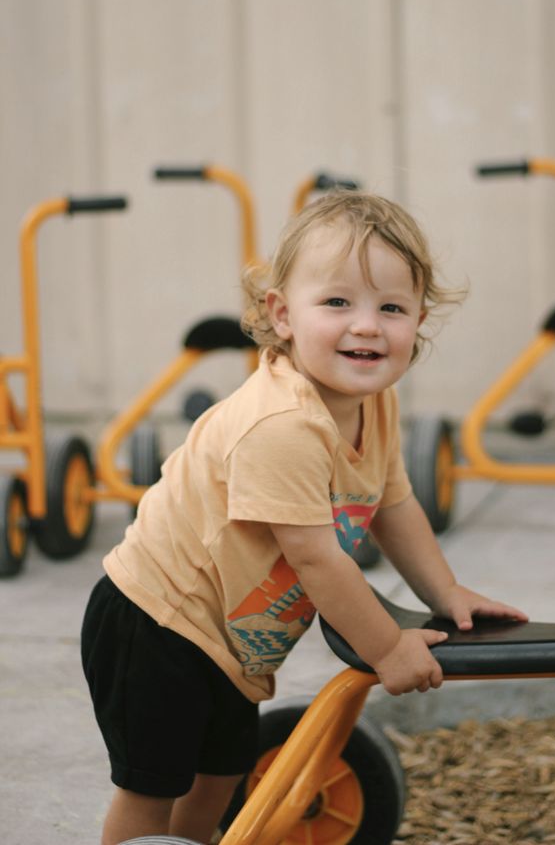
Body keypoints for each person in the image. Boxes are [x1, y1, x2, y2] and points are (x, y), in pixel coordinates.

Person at [81, 190, 528, 844]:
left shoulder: (374, 404)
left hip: (228, 647)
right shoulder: (283, 424)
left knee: (219, 779)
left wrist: (446, 592)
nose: (368, 326)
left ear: (419, 320)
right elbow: (315, 557)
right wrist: (387, 649)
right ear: (282, 315)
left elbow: (393, 504)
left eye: (391, 308)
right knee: (152, 788)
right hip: (157, 623)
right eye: (338, 302)